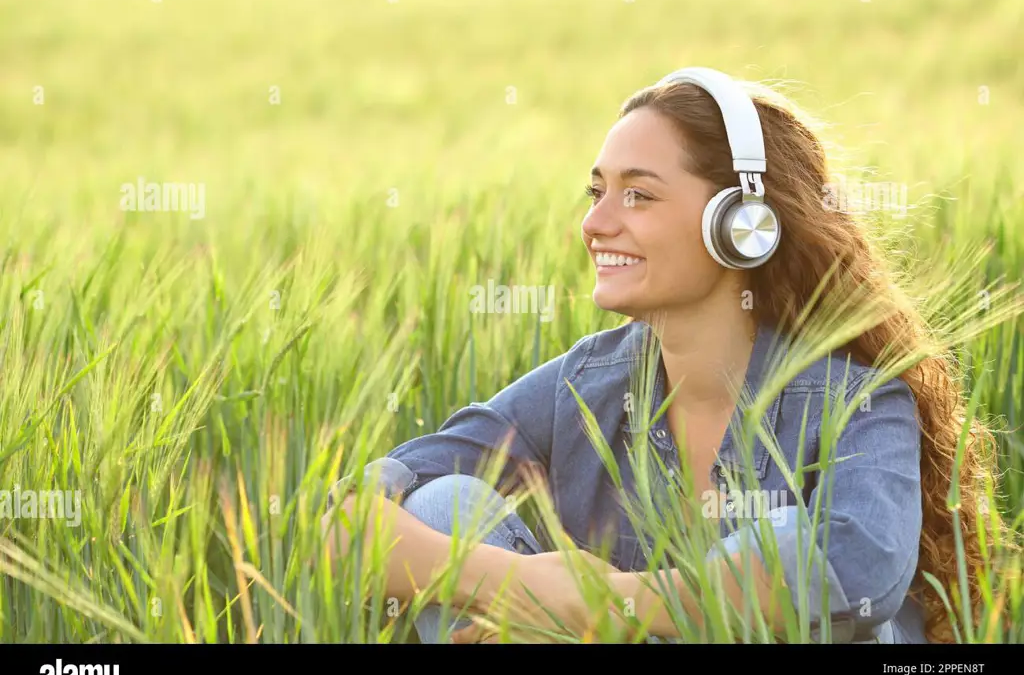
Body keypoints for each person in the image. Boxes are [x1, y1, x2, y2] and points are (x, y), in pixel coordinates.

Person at [321, 67, 1014, 645]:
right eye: (597, 192)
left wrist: (603, 604)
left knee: (778, 542)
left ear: (743, 225)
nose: (595, 223)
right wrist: (533, 588)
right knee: (444, 505)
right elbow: (347, 523)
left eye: (639, 195)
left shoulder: (854, 398)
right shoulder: (586, 384)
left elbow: (854, 570)